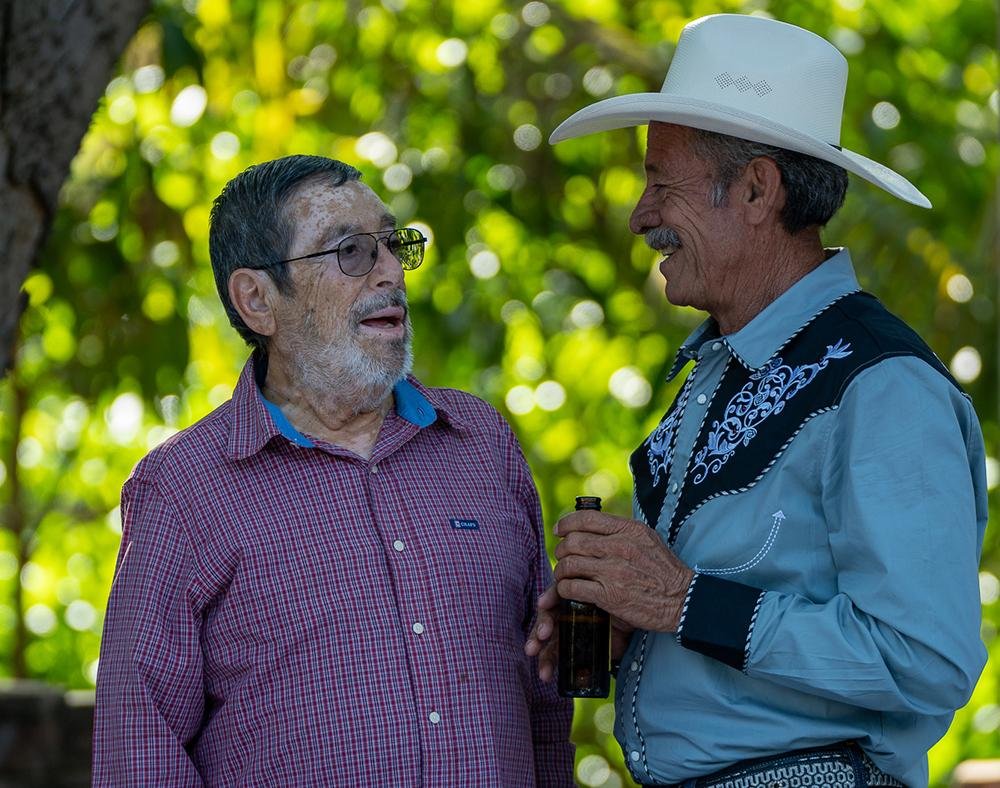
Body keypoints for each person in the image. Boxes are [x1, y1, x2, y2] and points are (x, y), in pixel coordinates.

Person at [526, 14, 987, 788]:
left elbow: (925, 659)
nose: (640, 215)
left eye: (661, 183)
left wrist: (685, 603)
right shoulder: (720, 365)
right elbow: (709, 609)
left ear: (755, 189)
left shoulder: (882, 384)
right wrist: (625, 619)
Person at [93, 155, 574, 786]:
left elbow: (545, 704)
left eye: (392, 244)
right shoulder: (185, 488)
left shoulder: (481, 443)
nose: (390, 271)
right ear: (257, 300)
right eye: (350, 252)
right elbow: (139, 749)